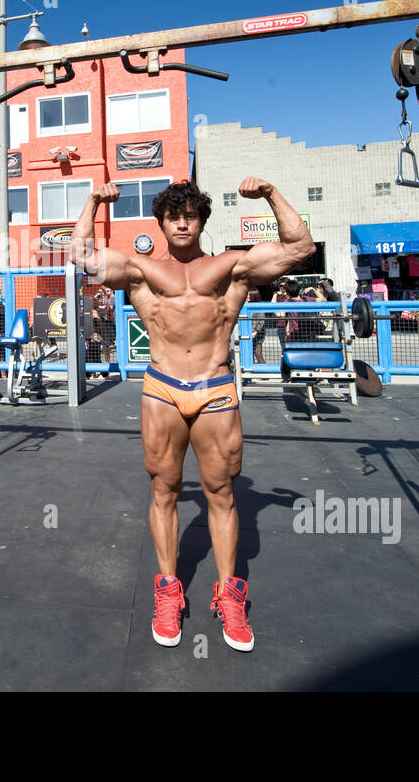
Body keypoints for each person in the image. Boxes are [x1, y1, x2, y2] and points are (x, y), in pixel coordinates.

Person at [71, 176, 315, 653]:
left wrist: (269, 193)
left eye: (191, 215)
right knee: (163, 490)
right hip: (162, 389)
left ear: (202, 220)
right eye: (173, 215)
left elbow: (299, 245)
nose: (182, 222)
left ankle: (230, 595)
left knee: (222, 493)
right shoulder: (141, 270)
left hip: (215, 390)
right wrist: (94, 200)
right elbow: (81, 257)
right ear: (162, 222)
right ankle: (168, 591)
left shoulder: (232, 268)